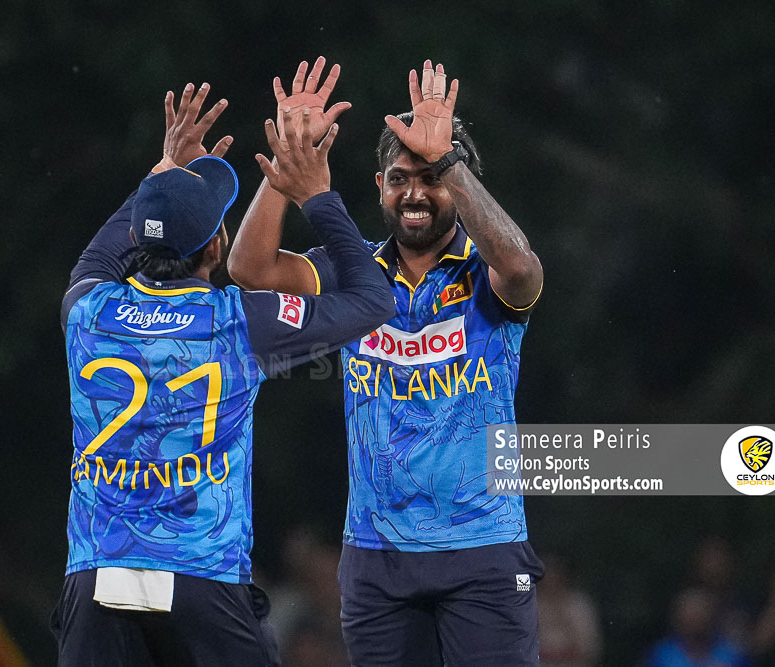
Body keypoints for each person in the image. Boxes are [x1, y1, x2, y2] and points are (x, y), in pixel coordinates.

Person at [51, 82, 394, 666]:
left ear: (136, 236)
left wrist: (164, 170)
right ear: (217, 246)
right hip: (201, 577)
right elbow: (373, 301)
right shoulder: (241, 320)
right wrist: (316, 195)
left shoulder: (86, 310)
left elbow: (101, 257)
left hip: (96, 578)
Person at [228, 58, 546, 665]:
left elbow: (523, 268)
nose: (415, 194)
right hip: (377, 559)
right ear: (379, 186)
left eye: (432, 178)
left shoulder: (486, 272)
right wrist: (288, 169)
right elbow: (250, 269)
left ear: (459, 184)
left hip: (482, 548)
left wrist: (448, 158)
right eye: (400, 178)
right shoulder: (352, 270)